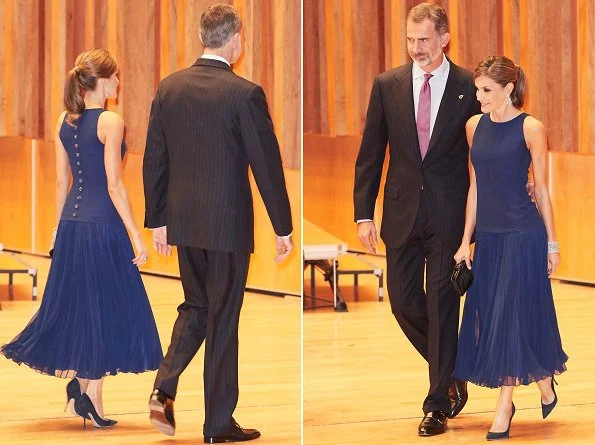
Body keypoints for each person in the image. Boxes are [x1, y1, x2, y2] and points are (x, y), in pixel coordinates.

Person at [143, 4, 293, 443]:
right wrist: (282, 226)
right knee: (223, 317)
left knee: (196, 307)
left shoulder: (169, 88)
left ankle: (164, 386)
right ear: (235, 39)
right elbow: (266, 164)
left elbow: (156, 160)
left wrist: (159, 220)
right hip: (227, 227)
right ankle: (218, 423)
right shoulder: (244, 93)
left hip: (185, 222)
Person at [0, 48, 163, 428]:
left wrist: (58, 228)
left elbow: (62, 181)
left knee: (86, 308)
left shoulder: (64, 120)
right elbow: (113, 184)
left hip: (72, 226)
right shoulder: (111, 120)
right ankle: (89, 396)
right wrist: (136, 236)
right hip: (102, 226)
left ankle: (90, 396)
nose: (119, 82)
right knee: (104, 307)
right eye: (116, 76)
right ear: (102, 81)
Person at [353, 2, 481, 436]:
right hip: (401, 212)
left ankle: (436, 404)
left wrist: (478, 225)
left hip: (449, 215)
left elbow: (481, 155)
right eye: (410, 40)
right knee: (404, 302)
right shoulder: (387, 84)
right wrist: (362, 213)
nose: (416, 49)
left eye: (424, 40)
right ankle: (453, 369)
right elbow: (371, 154)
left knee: (442, 305)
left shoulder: (468, 86)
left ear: (444, 38)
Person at [452, 55, 568, 440]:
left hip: (523, 234)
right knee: (492, 316)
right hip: (489, 237)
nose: (478, 96)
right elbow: (475, 186)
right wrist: (466, 240)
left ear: (507, 89)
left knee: (509, 317)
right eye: (476, 89)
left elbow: (543, 188)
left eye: (486, 90)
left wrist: (552, 242)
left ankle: (505, 405)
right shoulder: (473, 127)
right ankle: (544, 381)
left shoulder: (532, 128)